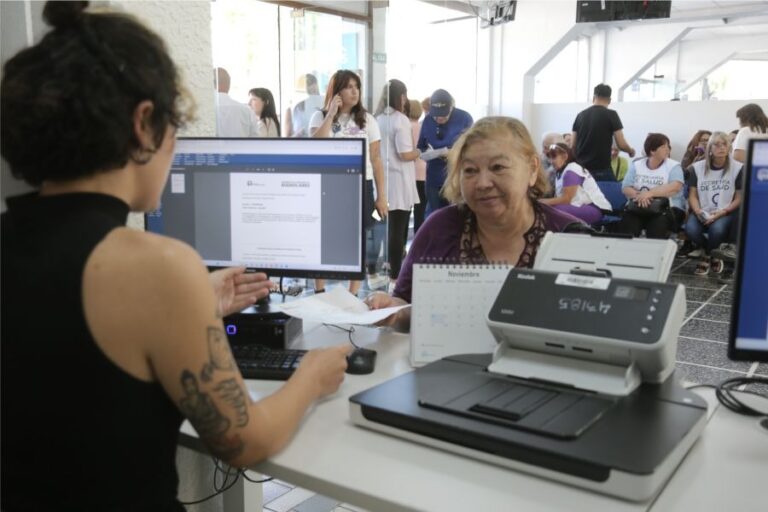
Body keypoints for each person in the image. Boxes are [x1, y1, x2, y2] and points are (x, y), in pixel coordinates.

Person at [0, 3, 350, 510]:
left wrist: (193, 306)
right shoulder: (156, 267)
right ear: (144, 123)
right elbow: (243, 443)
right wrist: (311, 377)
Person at [365, 117, 582, 331]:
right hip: (448, 364)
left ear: (533, 169)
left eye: (498, 167)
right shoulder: (439, 230)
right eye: (470, 170)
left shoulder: (569, 236)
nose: (483, 183)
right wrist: (391, 308)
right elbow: (405, 305)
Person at [309, 69, 388, 295]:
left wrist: (382, 197)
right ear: (337, 91)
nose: (355, 92)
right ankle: (320, 290)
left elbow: (376, 159)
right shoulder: (320, 117)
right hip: (329, 186)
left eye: (357, 87)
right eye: (349, 87)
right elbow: (315, 147)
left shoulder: (367, 119)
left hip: (362, 186)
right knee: (324, 238)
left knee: (358, 239)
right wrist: (331, 114)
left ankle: (353, 292)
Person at [375, 80, 421, 281]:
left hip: (382, 182)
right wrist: (419, 152)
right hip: (400, 182)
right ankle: (395, 276)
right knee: (397, 229)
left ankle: (373, 270)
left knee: (380, 226)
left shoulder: (377, 118)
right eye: (404, 95)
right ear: (400, 96)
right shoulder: (400, 119)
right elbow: (404, 154)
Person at [684, 132, 743, 276]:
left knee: (716, 230)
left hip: (726, 211)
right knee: (691, 229)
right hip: (702, 210)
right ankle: (711, 252)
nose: (721, 147)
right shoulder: (696, 168)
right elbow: (692, 195)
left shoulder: (738, 168)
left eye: (724, 144)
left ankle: (707, 256)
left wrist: (722, 212)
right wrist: (698, 212)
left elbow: (739, 198)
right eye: (717, 144)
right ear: (710, 148)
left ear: (729, 147)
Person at [616, 133, 685, 239]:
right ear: (652, 151)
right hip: (638, 206)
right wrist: (640, 196)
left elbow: (675, 187)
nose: (667, 149)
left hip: (666, 209)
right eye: (663, 147)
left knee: (657, 227)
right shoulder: (637, 165)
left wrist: (649, 194)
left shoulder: (674, 166)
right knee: (628, 224)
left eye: (668, 146)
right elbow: (626, 187)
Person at [417, 89, 473, 216]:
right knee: (434, 216)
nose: (439, 119)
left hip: (455, 177)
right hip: (433, 178)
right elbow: (421, 147)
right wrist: (427, 153)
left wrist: (450, 153)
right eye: (436, 116)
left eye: (443, 116)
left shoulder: (464, 118)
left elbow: (472, 148)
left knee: (457, 216)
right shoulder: (428, 120)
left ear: (451, 108)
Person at [571, 83, 635, 181]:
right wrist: (631, 151)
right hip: (601, 169)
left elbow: (572, 146)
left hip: (581, 169)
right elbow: (621, 144)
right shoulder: (611, 115)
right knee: (611, 194)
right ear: (609, 100)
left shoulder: (580, 115)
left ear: (594, 98)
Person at [540, 142, 611, 225]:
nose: (551, 161)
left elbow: (566, 199)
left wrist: (543, 202)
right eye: (550, 158)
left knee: (551, 210)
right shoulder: (561, 171)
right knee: (548, 209)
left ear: (565, 156)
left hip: (594, 209)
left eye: (554, 157)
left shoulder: (571, 170)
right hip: (581, 206)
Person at [215, 67, 260, 137]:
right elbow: (255, 141)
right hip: (242, 148)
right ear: (229, 85)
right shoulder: (247, 111)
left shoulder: (203, 110)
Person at [408, 98, 428, 234]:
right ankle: (418, 238)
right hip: (424, 172)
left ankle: (402, 244)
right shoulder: (423, 127)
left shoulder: (405, 126)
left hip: (409, 172)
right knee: (420, 209)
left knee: (405, 209)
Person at [283, 73, 324, 137]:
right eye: (309, 84)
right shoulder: (296, 108)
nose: (313, 87)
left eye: (313, 84)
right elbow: (288, 136)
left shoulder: (324, 103)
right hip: (301, 141)